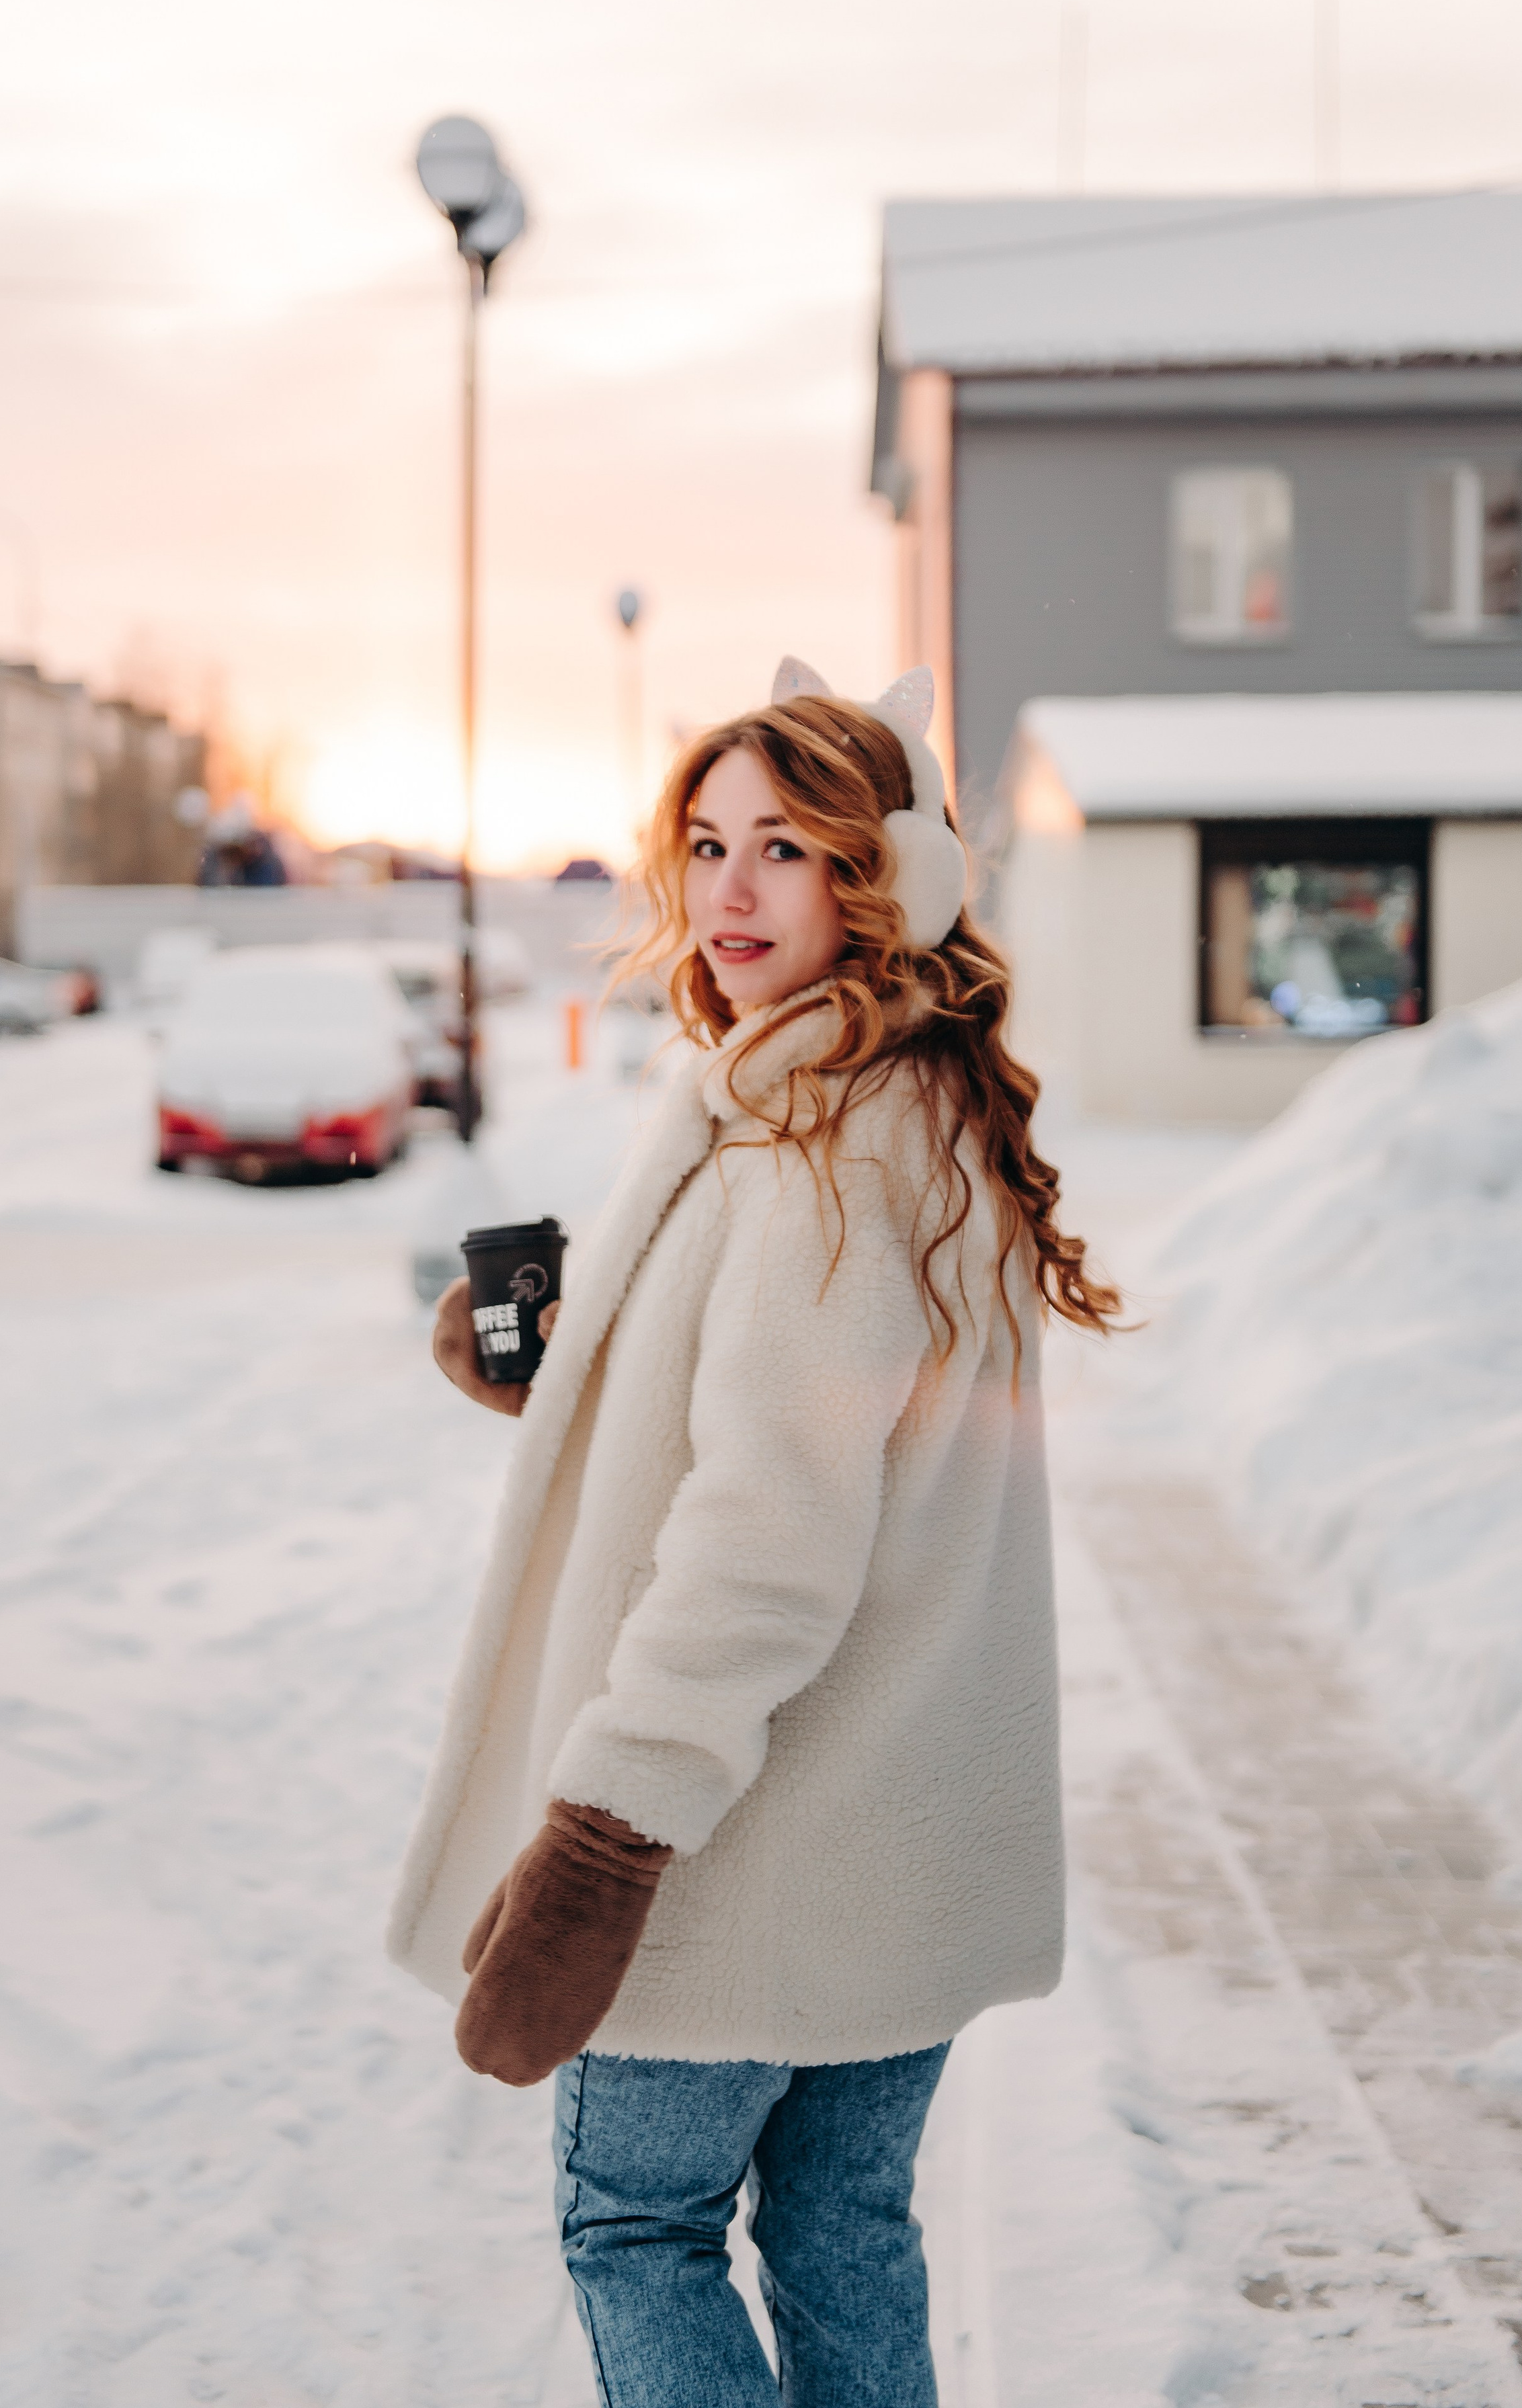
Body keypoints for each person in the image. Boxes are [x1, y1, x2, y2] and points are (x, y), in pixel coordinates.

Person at [389, 661, 1120, 2407]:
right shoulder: (927, 1118)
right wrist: (592, 1354)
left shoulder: (804, 1147)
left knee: (638, 2226)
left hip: (734, 1853)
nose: (728, 891)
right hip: (898, 1850)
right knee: (846, 2226)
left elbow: (767, 1545)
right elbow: (839, 1430)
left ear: (880, 873)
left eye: (783, 848)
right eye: (707, 844)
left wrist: (602, 1839)